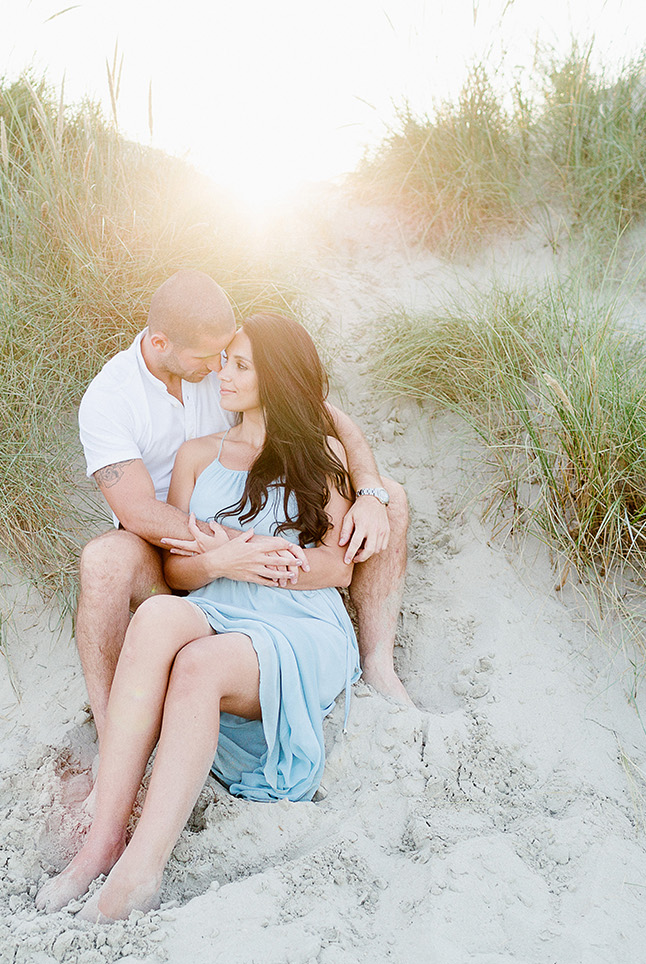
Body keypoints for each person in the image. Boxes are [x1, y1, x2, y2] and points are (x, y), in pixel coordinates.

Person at [40, 314, 362, 920]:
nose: (224, 374)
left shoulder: (320, 454)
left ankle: (140, 872)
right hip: (220, 603)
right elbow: (180, 572)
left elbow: (339, 568)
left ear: (278, 377)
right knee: (161, 613)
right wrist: (221, 559)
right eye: (224, 361)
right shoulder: (197, 456)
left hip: (298, 624)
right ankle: (103, 840)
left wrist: (270, 563)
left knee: (197, 666)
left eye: (242, 365)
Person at [75, 272, 411, 769]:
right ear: (161, 343)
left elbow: (328, 417)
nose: (218, 368)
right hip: (171, 545)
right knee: (104, 558)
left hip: (253, 527)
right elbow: (139, 512)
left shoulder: (219, 368)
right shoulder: (110, 401)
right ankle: (113, 744)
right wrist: (233, 548)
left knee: (394, 499)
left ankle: (377, 659)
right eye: (208, 358)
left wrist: (369, 490)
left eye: (227, 356)